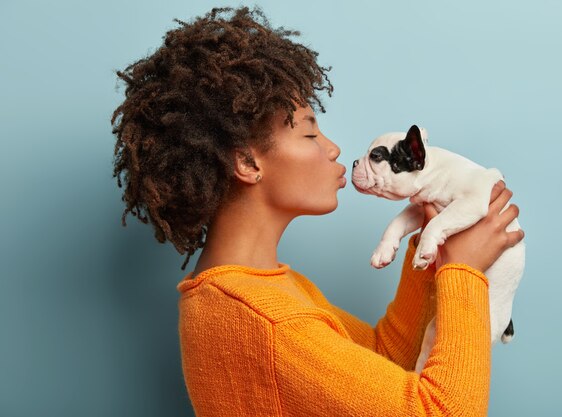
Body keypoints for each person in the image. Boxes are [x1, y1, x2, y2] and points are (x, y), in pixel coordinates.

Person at [110, 6, 524, 417]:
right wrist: (463, 273)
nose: (333, 149)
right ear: (248, 164)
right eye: (309, 132)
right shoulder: (266, 320)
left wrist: (434, 244)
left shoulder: (260, 290)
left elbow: (384, 360)